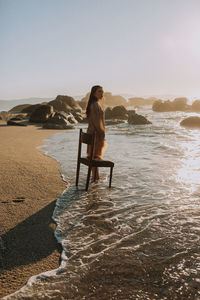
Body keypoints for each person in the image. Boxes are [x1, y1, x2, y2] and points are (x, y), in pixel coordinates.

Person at [86, 85, 107, 181]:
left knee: (93, 157)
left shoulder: (94, 104)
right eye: (99, 91)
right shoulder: (95, 105)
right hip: (95, 135)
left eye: (102, 91)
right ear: (94, 93)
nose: (101, 93)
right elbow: (97, 122)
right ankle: (95, 177)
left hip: (91, 134)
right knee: (95, 157)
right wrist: (102, 134)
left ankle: (95, 176)